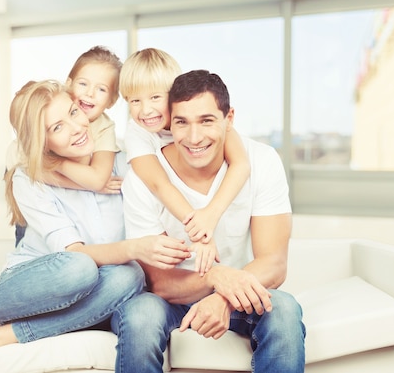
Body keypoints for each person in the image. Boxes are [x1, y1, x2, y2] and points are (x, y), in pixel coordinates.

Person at [0, 80, 191, 372]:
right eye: (56, 128)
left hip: (102, 292)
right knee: (79, 267)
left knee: (130, 276)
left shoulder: (125, 165)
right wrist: (134, 247)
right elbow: (76, 253)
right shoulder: (30, 179)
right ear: (42, 141)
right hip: (40, 283)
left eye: (74, 113)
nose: (76, 128)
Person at [113, 70, 306, 373]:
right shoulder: (142, 179)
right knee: (140, 313)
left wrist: (224, 298)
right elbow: (159, 282)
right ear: (168, 122)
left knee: (282, 308)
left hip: (240, 293)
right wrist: (215, 278)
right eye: (182, 122)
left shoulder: (262, 160)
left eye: (206, 120)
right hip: (172, 299)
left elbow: (274, 263)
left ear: (229, 119)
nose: (194, 137)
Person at [119, 48, 251, 275]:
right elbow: (159, 184)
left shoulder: (205, 118)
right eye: (135, 100)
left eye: (155, 97)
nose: (145, 110)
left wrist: (211, 214)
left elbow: (241, 164)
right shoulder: (137, 131)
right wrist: (199, 232)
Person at [7, 45, 123, 245]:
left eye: (101, 89)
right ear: (69, 85)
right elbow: (23, 170)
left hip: (75, 210)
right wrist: (58, 166)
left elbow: (97, 179)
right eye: (83, 84)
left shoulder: (104, 128)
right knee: (30, 234)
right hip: (36, 205)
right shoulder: (38, 126)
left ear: (112, 101)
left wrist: (54, 163)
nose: (89, 94)